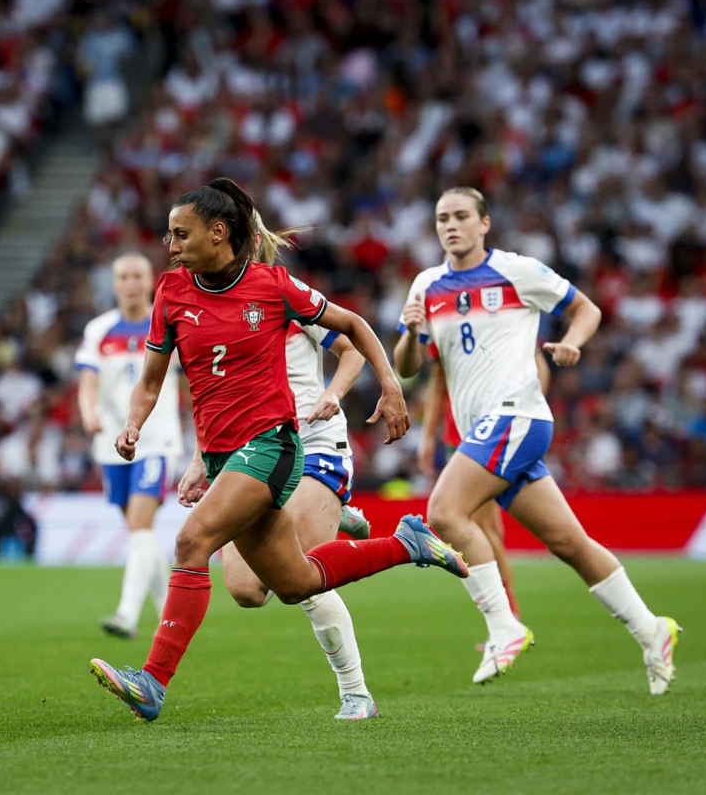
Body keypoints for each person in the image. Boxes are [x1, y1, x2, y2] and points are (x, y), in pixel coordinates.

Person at [90, 178, 468, 722]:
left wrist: (389, 384)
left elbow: (353, 327)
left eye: (180, 234)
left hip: (273, 446)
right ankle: (407, 544)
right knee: (293, 583)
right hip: (223, 455)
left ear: (218, 233)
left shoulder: (273, 286)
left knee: (192, 540)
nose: (169, 246)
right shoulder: (172, 292)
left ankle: (151, 681)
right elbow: (151, 380)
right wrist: (132, 424)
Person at [393, 186, 680, 695]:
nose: (451, 225)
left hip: (516, 415)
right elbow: (410, 368)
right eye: (442, 218)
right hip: (489, 426)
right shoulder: (427, 284)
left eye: (461, 216)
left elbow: (586, 309)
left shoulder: (517, 270)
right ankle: (650, 628)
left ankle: (504, 625)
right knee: (569, 543)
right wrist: (410, 333)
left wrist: (570, 344)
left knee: (442, 512)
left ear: (485, 224)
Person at [174, 212, 378, 720]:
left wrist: (333, 393)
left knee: (306, 577)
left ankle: (356, 693)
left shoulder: (287, 294)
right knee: (246, 591)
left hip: (312, 441)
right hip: (249, 453)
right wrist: (201, 458)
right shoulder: (208, 306)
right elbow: (214, 397)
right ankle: (341, 516)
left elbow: (351, 350)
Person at [76, 253, 181, 639]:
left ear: (150, 281)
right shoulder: (99, 330)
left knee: (140, 524)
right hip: (110, 443)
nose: (131, 283)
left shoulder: (168, 322)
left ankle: (126, 614)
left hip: (155, 440)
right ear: (115, 283)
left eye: (138, 275)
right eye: (123, 276)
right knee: (141, 532)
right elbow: (87, 384)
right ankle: (170, 615)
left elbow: (190, 380)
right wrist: (89, 414)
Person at [418, 348, 551, 637]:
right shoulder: (447, 321)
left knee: (484, 526)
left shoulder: (503, 319)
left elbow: (540, 369)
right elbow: (438, 382)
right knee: (481, 525)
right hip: (459, 436)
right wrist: (429, 436)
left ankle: (508, 619)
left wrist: (525, 411)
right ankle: (506, 617)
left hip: (492, 431)